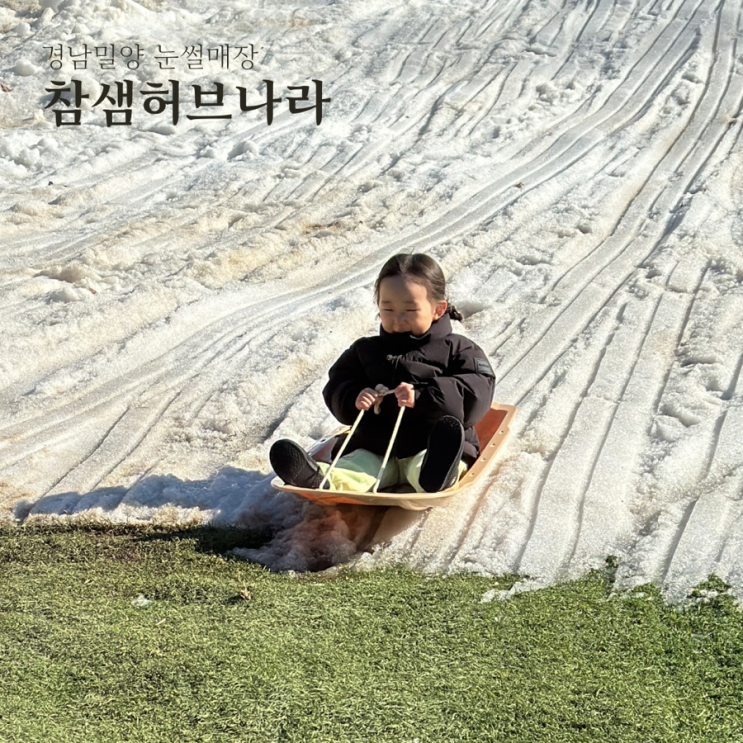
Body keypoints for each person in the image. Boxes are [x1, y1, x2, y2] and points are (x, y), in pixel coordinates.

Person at [270, 253, 496, 493]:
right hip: (374, 446)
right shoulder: (365, 350)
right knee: (356, 468)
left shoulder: (459, 350)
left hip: (428, 443)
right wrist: (354, 396)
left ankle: (437, 474)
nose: (398, 320)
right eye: (388, 309)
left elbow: (478, 390)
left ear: (438, 309)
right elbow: (337, 383)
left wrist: (424, 396)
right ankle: (321, 480)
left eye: (410, 310)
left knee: (426, 465)